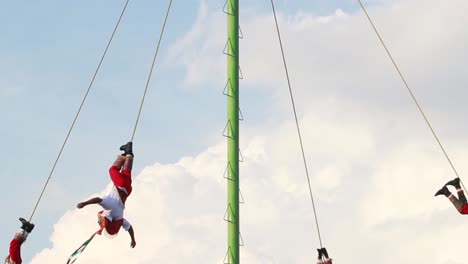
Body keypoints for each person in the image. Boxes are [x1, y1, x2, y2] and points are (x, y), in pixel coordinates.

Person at [77, 142, 136, 248]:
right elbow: (97, 199)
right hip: (120, 185)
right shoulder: (109, 208)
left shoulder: (119, 218)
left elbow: (129, 227)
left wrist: (133, 240)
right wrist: (84, 203)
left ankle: (128, 154)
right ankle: (124, 155)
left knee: (127, 171)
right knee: (112, 170)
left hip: (127, 189)